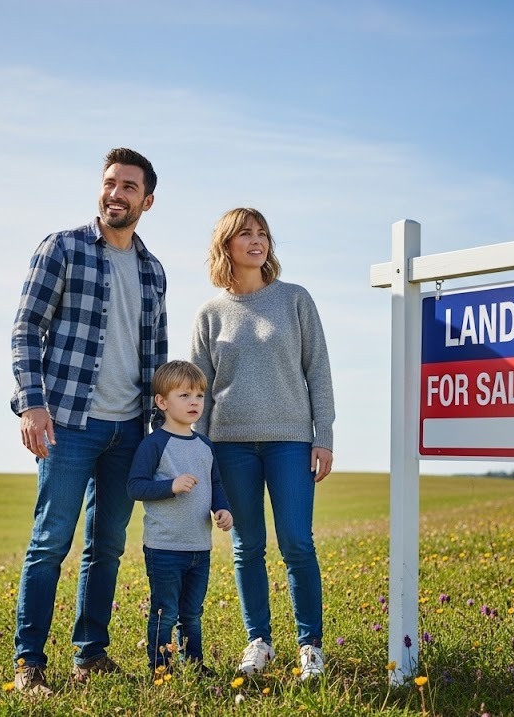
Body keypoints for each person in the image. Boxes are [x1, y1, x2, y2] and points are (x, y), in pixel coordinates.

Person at [10, 148, 167, 696]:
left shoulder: (152, 270)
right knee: (51, 542)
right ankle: (29, 664)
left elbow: (157, 351)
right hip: (69, 423)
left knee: (108, 545)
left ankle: (90, 654)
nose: (115, 194)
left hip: (129, 428)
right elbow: (27, 328)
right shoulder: (64, 248)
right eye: (109, 183)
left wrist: (161, 425)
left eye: (128, 187)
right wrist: (32, 404)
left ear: (147, 200)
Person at [189, 207, 334, 682]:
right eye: (245, 234)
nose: (257, 241)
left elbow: (318, 371)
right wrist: (199, 454)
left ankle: (310, 647)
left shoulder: (295, 299)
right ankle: (260, 643)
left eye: (263, 234)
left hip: (290, 442)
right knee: (247, 546)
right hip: (229, 447)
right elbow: (198, 393)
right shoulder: (210, 314)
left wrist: (324, 436)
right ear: (226, 246)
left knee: (296, 542)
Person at [127, 360, 233, 676]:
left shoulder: (205, 445)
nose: (194, 403)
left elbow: (215, 484)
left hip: (200, 547)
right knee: (165, 611)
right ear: (162, 402)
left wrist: (223, 509)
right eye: (184, 395)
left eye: (199, 396)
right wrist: (170, 486)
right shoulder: (154, 443)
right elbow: (135, 486)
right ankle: (161, 667)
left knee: (192, 613)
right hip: (164, 547)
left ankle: (194, 664)